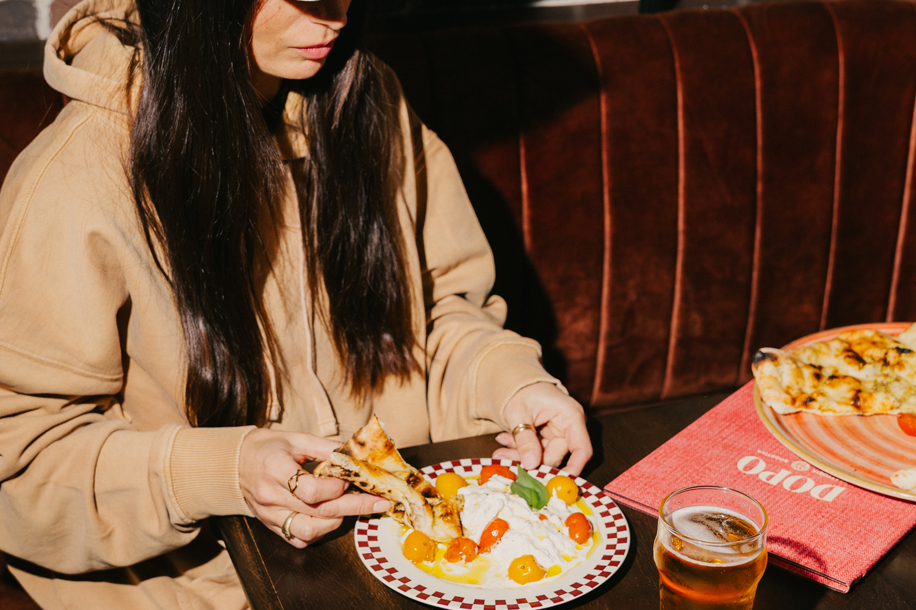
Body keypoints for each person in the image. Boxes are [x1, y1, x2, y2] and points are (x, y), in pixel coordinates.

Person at [0, 0, 592, 608]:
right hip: (202, 590)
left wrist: (509, 382)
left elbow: (438, 309)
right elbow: (19, 469)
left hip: (415, 557)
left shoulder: (369, 96)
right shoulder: (76, 175)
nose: (337, 15)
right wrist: (221, 471)